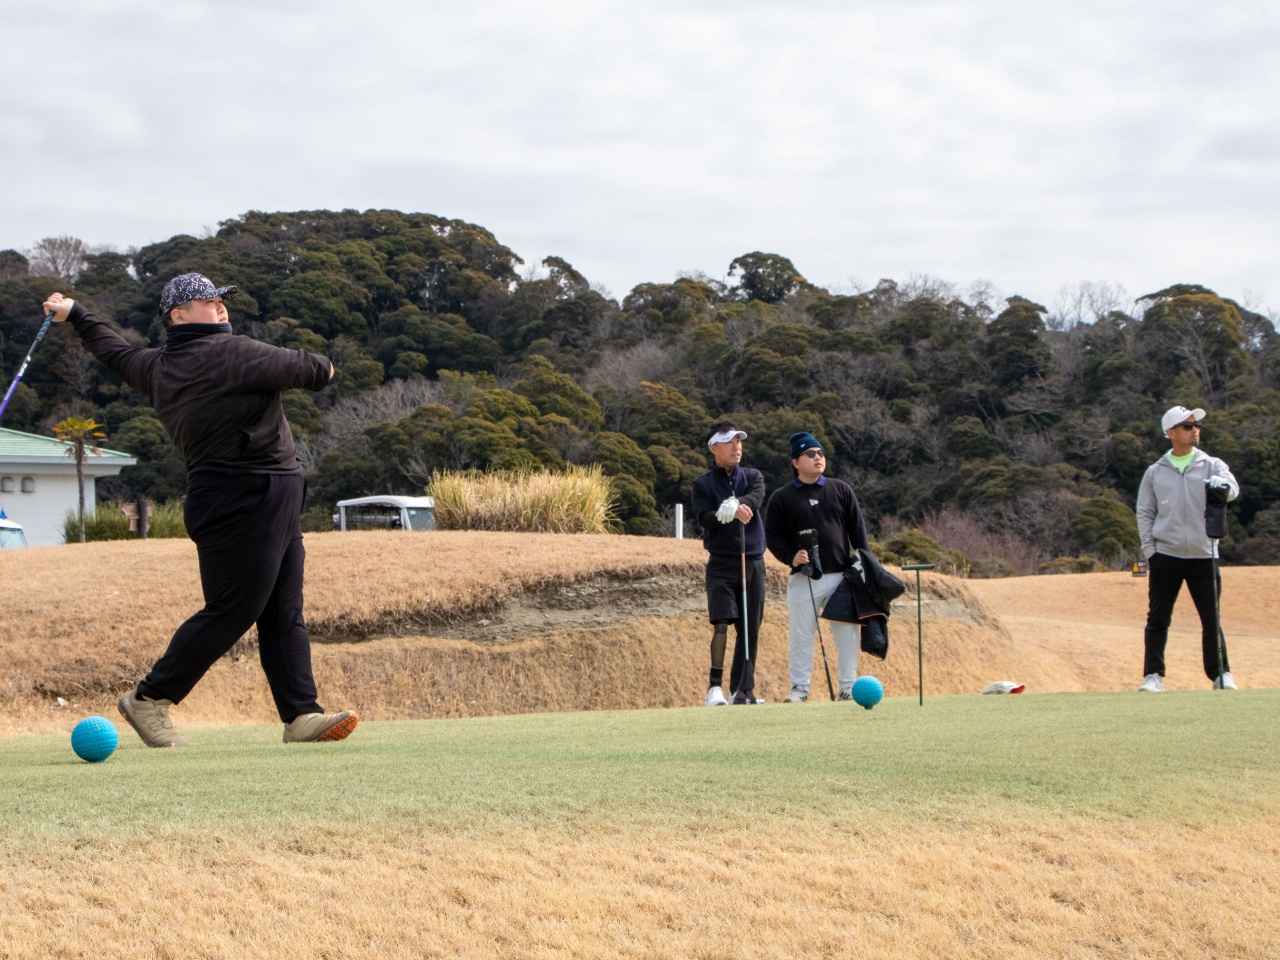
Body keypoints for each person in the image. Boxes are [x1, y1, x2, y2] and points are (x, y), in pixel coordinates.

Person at [43, 275, 359, 746]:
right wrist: (323, 364)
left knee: (282, 611)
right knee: (234, 610)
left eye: (221, 300)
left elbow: (112, 349)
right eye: (206, 301)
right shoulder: (234, 353)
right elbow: (317, 370)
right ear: (178, 315)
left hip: (250, 495)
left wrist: (77, 313)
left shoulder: (155, 366)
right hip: (246, 494)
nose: (220, 307)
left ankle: (301, 714)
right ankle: (150, 697)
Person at [1135, 405, 1240, 692]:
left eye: (1196, 425)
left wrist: (1224, 488)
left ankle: (1220, 674)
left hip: (1204, 553)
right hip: (1166, 555)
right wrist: (1150, 551)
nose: (1195, 430)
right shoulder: (1155, 472)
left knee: (1211, 618)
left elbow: (1233, 488)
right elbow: (1144, 512)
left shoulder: (1211, 464)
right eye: (1187, 426)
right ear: (1170, 433)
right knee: (1157, 618)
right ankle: (1153, 675)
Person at [765, 431, 869, 702]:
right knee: (801, 636)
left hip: (842, 575)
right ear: (795, 462)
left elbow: (858, 531)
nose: (818, 458)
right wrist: (791, 557)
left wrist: (864, 564)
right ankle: (799, 689)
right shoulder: (782, 496)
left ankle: (848, 687)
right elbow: (773, 537)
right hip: (804, 576)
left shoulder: (841, 489)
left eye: (821, 453)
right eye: (810, 454)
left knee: (847, 633)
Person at [690, 423, 766, 705]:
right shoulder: (703, 484)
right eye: (729, 442)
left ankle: (743, 691)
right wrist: (722, 512)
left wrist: (736, 504)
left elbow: (755, 498)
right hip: (721, 563)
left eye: (739, 442)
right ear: (714, 448)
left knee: (750, 628)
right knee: (721, 622)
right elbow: (703, 517)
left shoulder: (753, 476)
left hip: (753, 560)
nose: (737, 447)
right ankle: (714, 688)